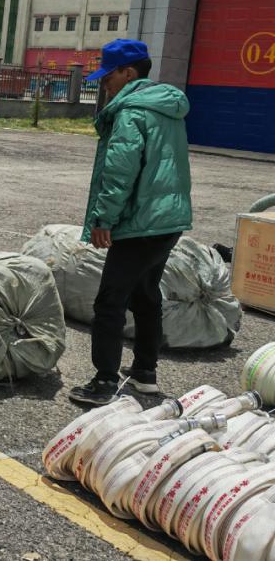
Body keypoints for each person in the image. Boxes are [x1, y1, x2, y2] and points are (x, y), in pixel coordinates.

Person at [68, 39, 192, 407]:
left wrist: (104, 219)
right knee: (145, 294)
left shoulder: (130, 112)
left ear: (128, 73)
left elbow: (119, 172)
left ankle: (104, 381)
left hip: (140, 221)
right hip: (168, 219)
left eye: (108, 75)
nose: (104, 83)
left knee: (110, 301)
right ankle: (144, 375)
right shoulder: (167, 107)